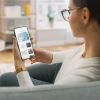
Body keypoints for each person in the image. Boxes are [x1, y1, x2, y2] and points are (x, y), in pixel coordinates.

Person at [1, 0, 100, 86]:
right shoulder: (92, 45)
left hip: (60, 82)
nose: (68, 17)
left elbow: (33, 96)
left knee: (5, 78)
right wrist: (49, 56)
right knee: (14, 75)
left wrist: (20, 66)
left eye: (69, 11)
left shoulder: (82, 78)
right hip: (63, 69)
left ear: (85, 15)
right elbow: (74, 54)